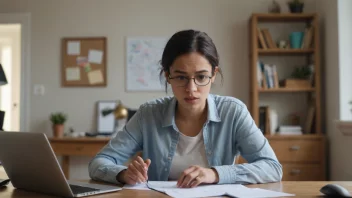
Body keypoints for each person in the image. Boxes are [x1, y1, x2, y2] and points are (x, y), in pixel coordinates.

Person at [88, 29, 282, 188]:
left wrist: (215, 173)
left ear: (214, 74)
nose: (191, 89)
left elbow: (272, 167)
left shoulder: (233, 112)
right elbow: (99, 163)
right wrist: (123, 174)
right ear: (167, 75)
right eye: (181, 77)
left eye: (201, 77)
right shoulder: (149, 114)